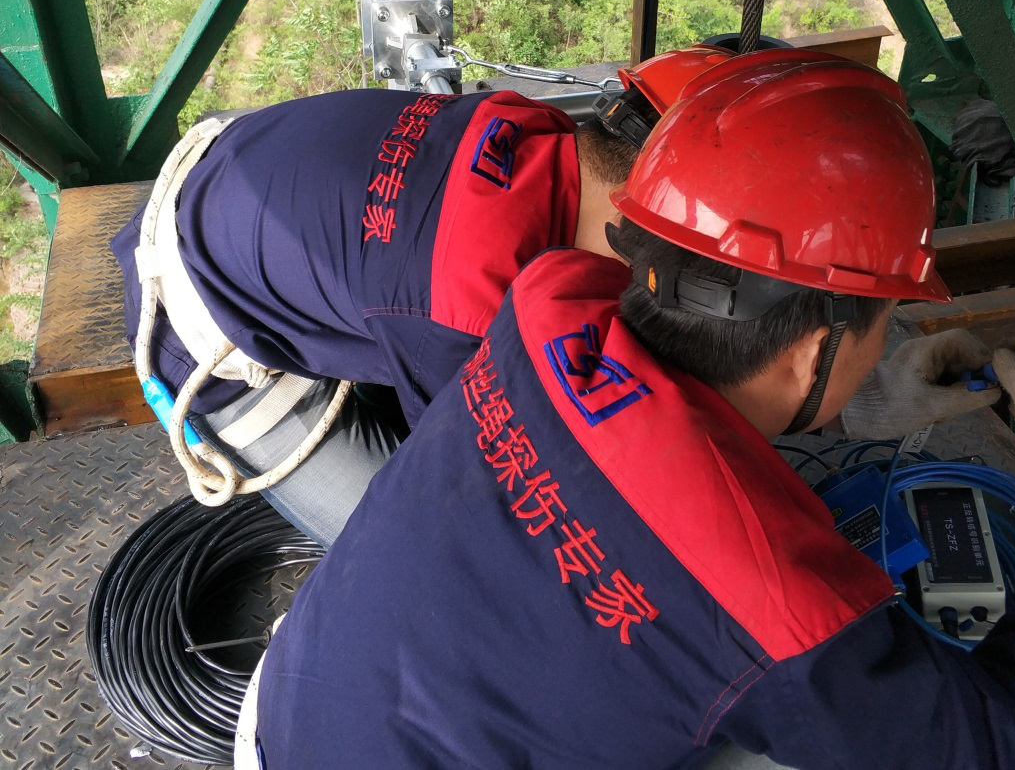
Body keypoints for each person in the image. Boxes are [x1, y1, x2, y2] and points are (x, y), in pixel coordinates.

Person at [250, 51, 1015, 770]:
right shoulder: (784, 611)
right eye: (888, 315)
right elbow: (1006, 744)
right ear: (810, 351)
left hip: (291, 713)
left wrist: (868, 396)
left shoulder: (546, 303)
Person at [113, 45, 735, 544]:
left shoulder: (530, 123)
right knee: (424, 549)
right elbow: (481, 480)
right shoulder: (469, 309)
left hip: (241, 182)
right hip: (195, 322)